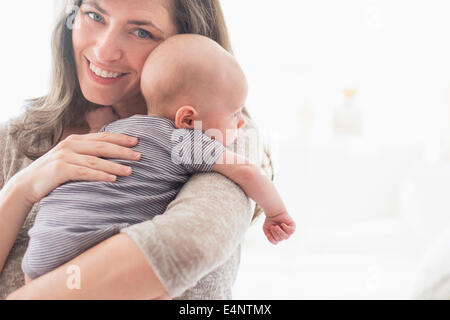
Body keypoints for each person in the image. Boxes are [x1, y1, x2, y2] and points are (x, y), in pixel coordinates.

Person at [0, 0, 280, 299]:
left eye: (141, 32)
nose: (105, 51)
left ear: (186, 42)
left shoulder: (220, 133)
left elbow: (187, 247)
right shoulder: (18, 137)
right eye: (95, 15)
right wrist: (22, 188)